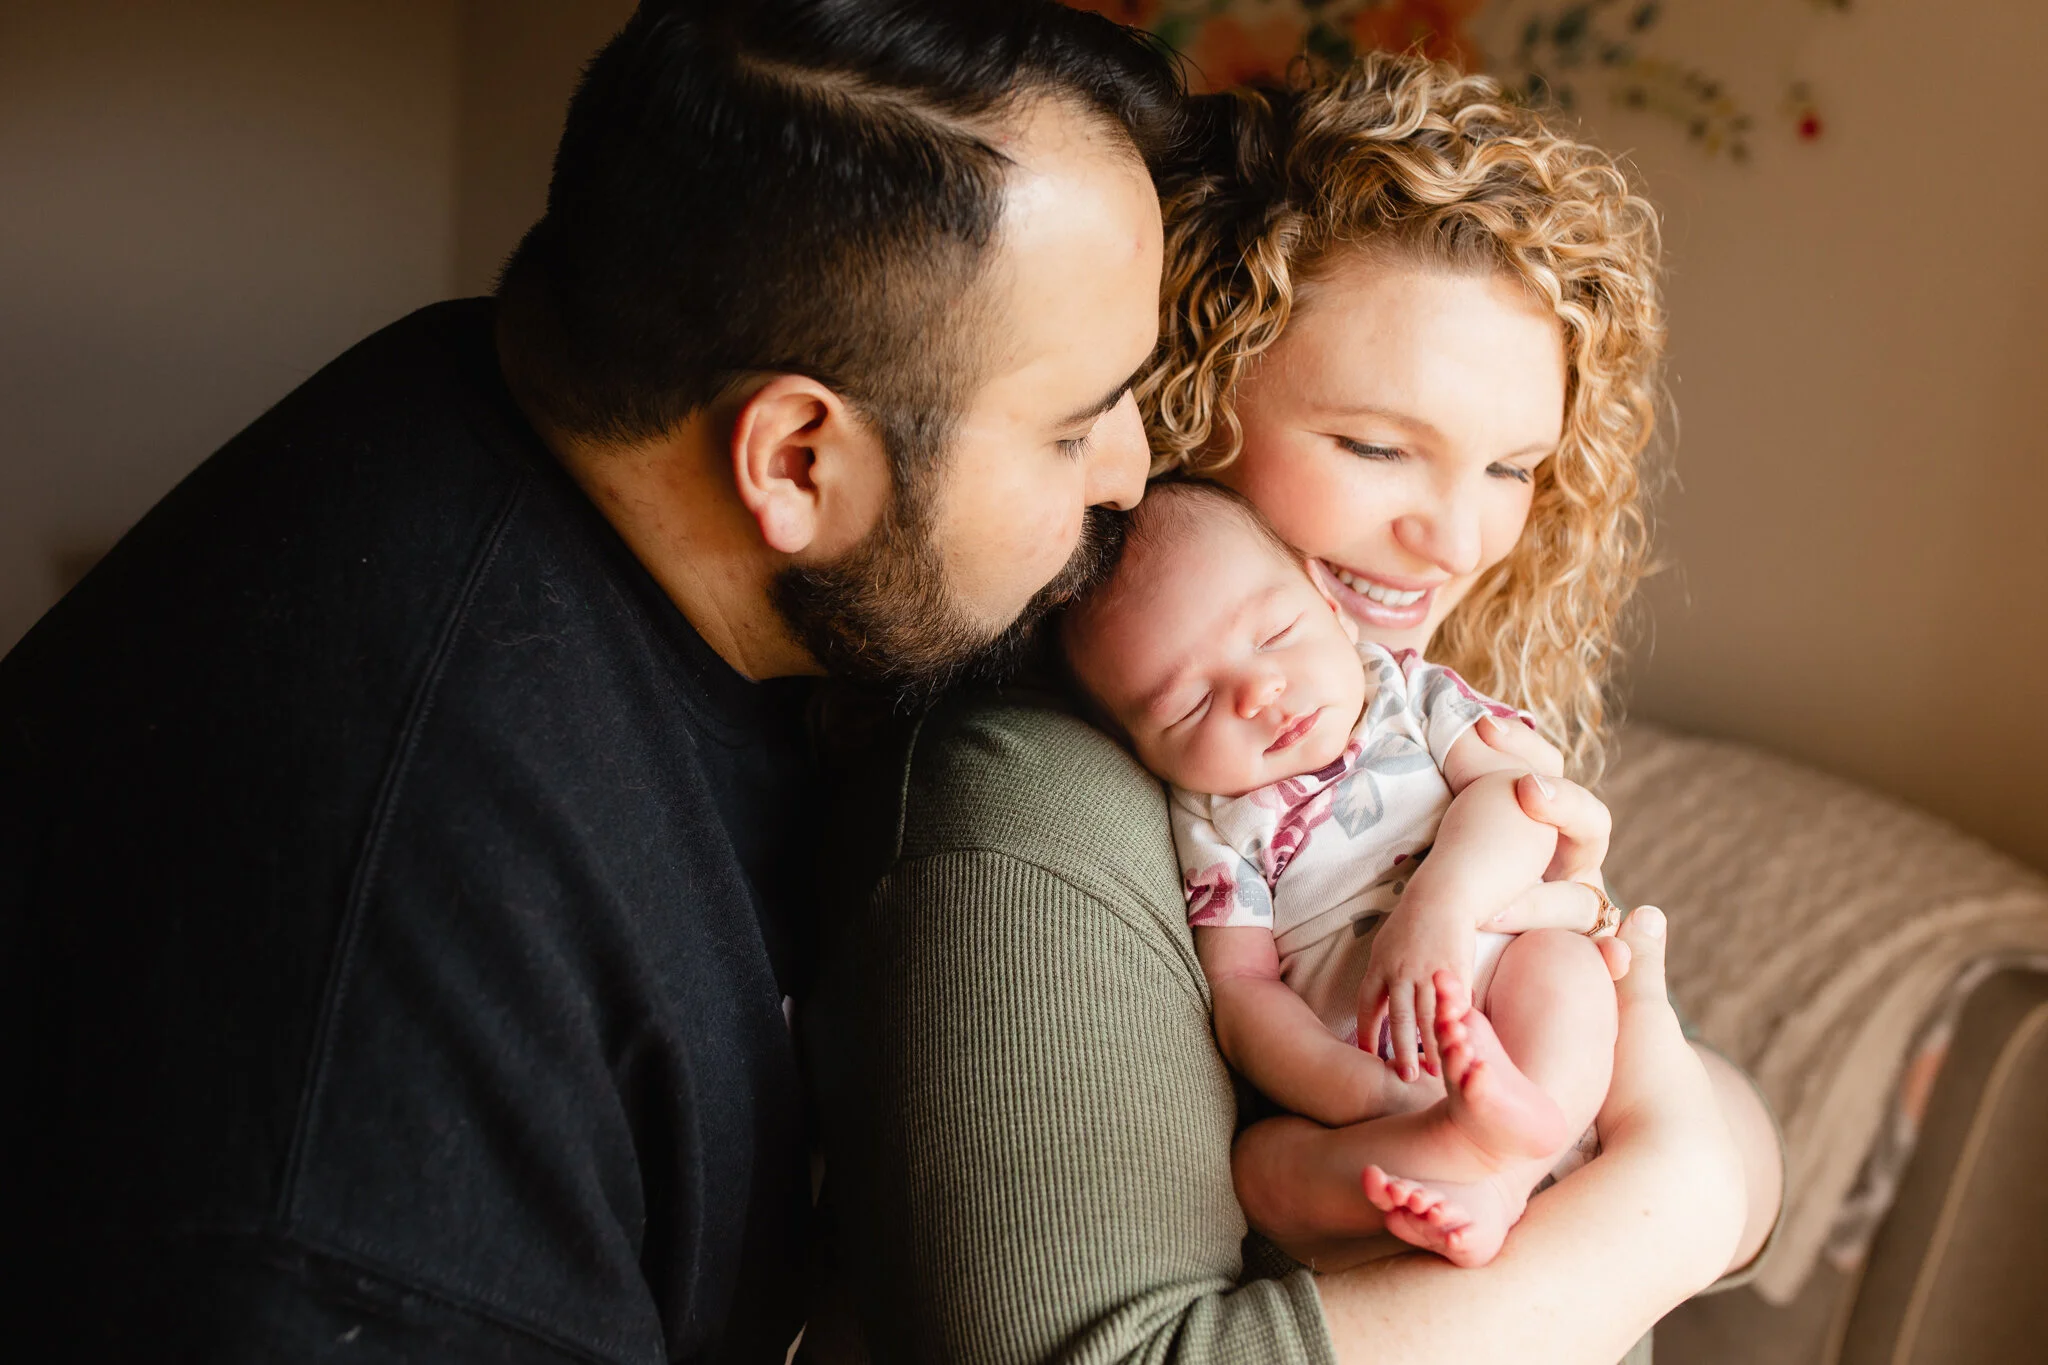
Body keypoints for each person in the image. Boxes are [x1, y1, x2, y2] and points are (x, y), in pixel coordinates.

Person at [0, 2, 1180, 1359]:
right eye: (1072, 428)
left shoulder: (514, 384)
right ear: (795, 461)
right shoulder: (376, 1125)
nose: (1131, 473)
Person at [805, 53, 1782, 1362]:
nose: (1454, 541)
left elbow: (1732, 1136)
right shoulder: (1027, 797)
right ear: (1186, 403)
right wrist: (1662, 1212)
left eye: (1511, 467)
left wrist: (1648, 1088)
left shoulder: (1385, 713)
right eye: (1374, 446)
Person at [1061, 480, 1622, 1269]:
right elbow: (1244, 992)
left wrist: (1438, 908)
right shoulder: (1213, 822)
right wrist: (1367, 1093)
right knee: (1260, 1168)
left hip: (1501, 991)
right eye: (1190, 705)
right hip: (1375, 1090)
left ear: (1328, 604)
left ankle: (1507, 1171)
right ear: (1137, 750)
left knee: (1566, 968)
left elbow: (1519, 800)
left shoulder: (1409, 694)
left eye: (1276, 632)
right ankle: (1442, 1148)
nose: (1258, 692)